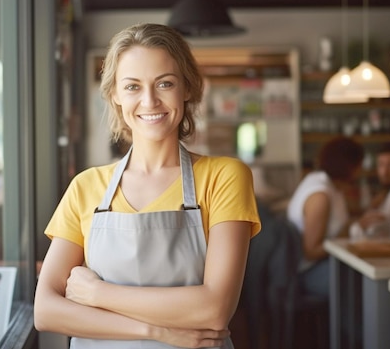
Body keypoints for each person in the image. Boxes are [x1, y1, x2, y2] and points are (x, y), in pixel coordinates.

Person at [33, 23, 261, 348]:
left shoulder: (224, 177)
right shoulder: (86, 187)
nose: (150, 100)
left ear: (187, 88)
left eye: (164, 83)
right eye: (132, 87)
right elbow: (46, 311)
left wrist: (98, 293)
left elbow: (214, 309)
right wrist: (157, 332)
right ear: (114, 95)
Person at [287, 136, 377, 297]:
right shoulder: (320, 195)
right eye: (359, 165)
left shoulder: (328, 184)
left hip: (321, 265)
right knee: (366, 281)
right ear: (349, 166)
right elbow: (311, 251)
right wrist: (350, 243)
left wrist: (356, 224)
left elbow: (338, 224)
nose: (361, 170)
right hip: (308, 272)